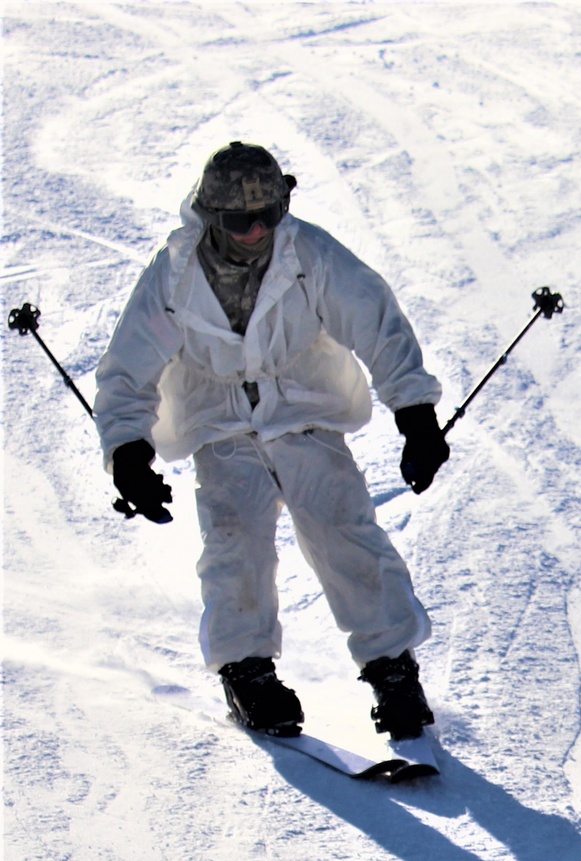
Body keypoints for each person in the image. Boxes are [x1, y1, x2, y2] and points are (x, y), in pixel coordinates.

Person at [95, 140, 449, 741]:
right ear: (211, 218)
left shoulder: (308, 253)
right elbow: (128, 369)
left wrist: (415, 415)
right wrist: (128, 452)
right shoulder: (174, 273)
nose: (257, 230)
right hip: (220, 422)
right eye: (240, 220)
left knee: (344, 529)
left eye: (268, 216)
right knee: (235, 540)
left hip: (305, 409)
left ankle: (392, 666)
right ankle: (247, 668)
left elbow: (378, 322)